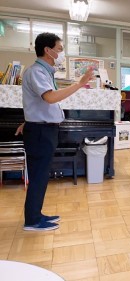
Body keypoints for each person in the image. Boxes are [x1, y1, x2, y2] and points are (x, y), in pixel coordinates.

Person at [15, 32, 93, 231]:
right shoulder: (36, 72)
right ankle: (32, 221)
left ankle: (36, 215)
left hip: (42, 129)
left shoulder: (44, 72)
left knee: (41, 176)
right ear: (47, 50)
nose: (61, 54)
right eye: (59, 50)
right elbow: (50, 98)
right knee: (39, 176)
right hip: (41, 131)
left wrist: (29, 121)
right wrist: (79, 83)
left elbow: (37, 103)